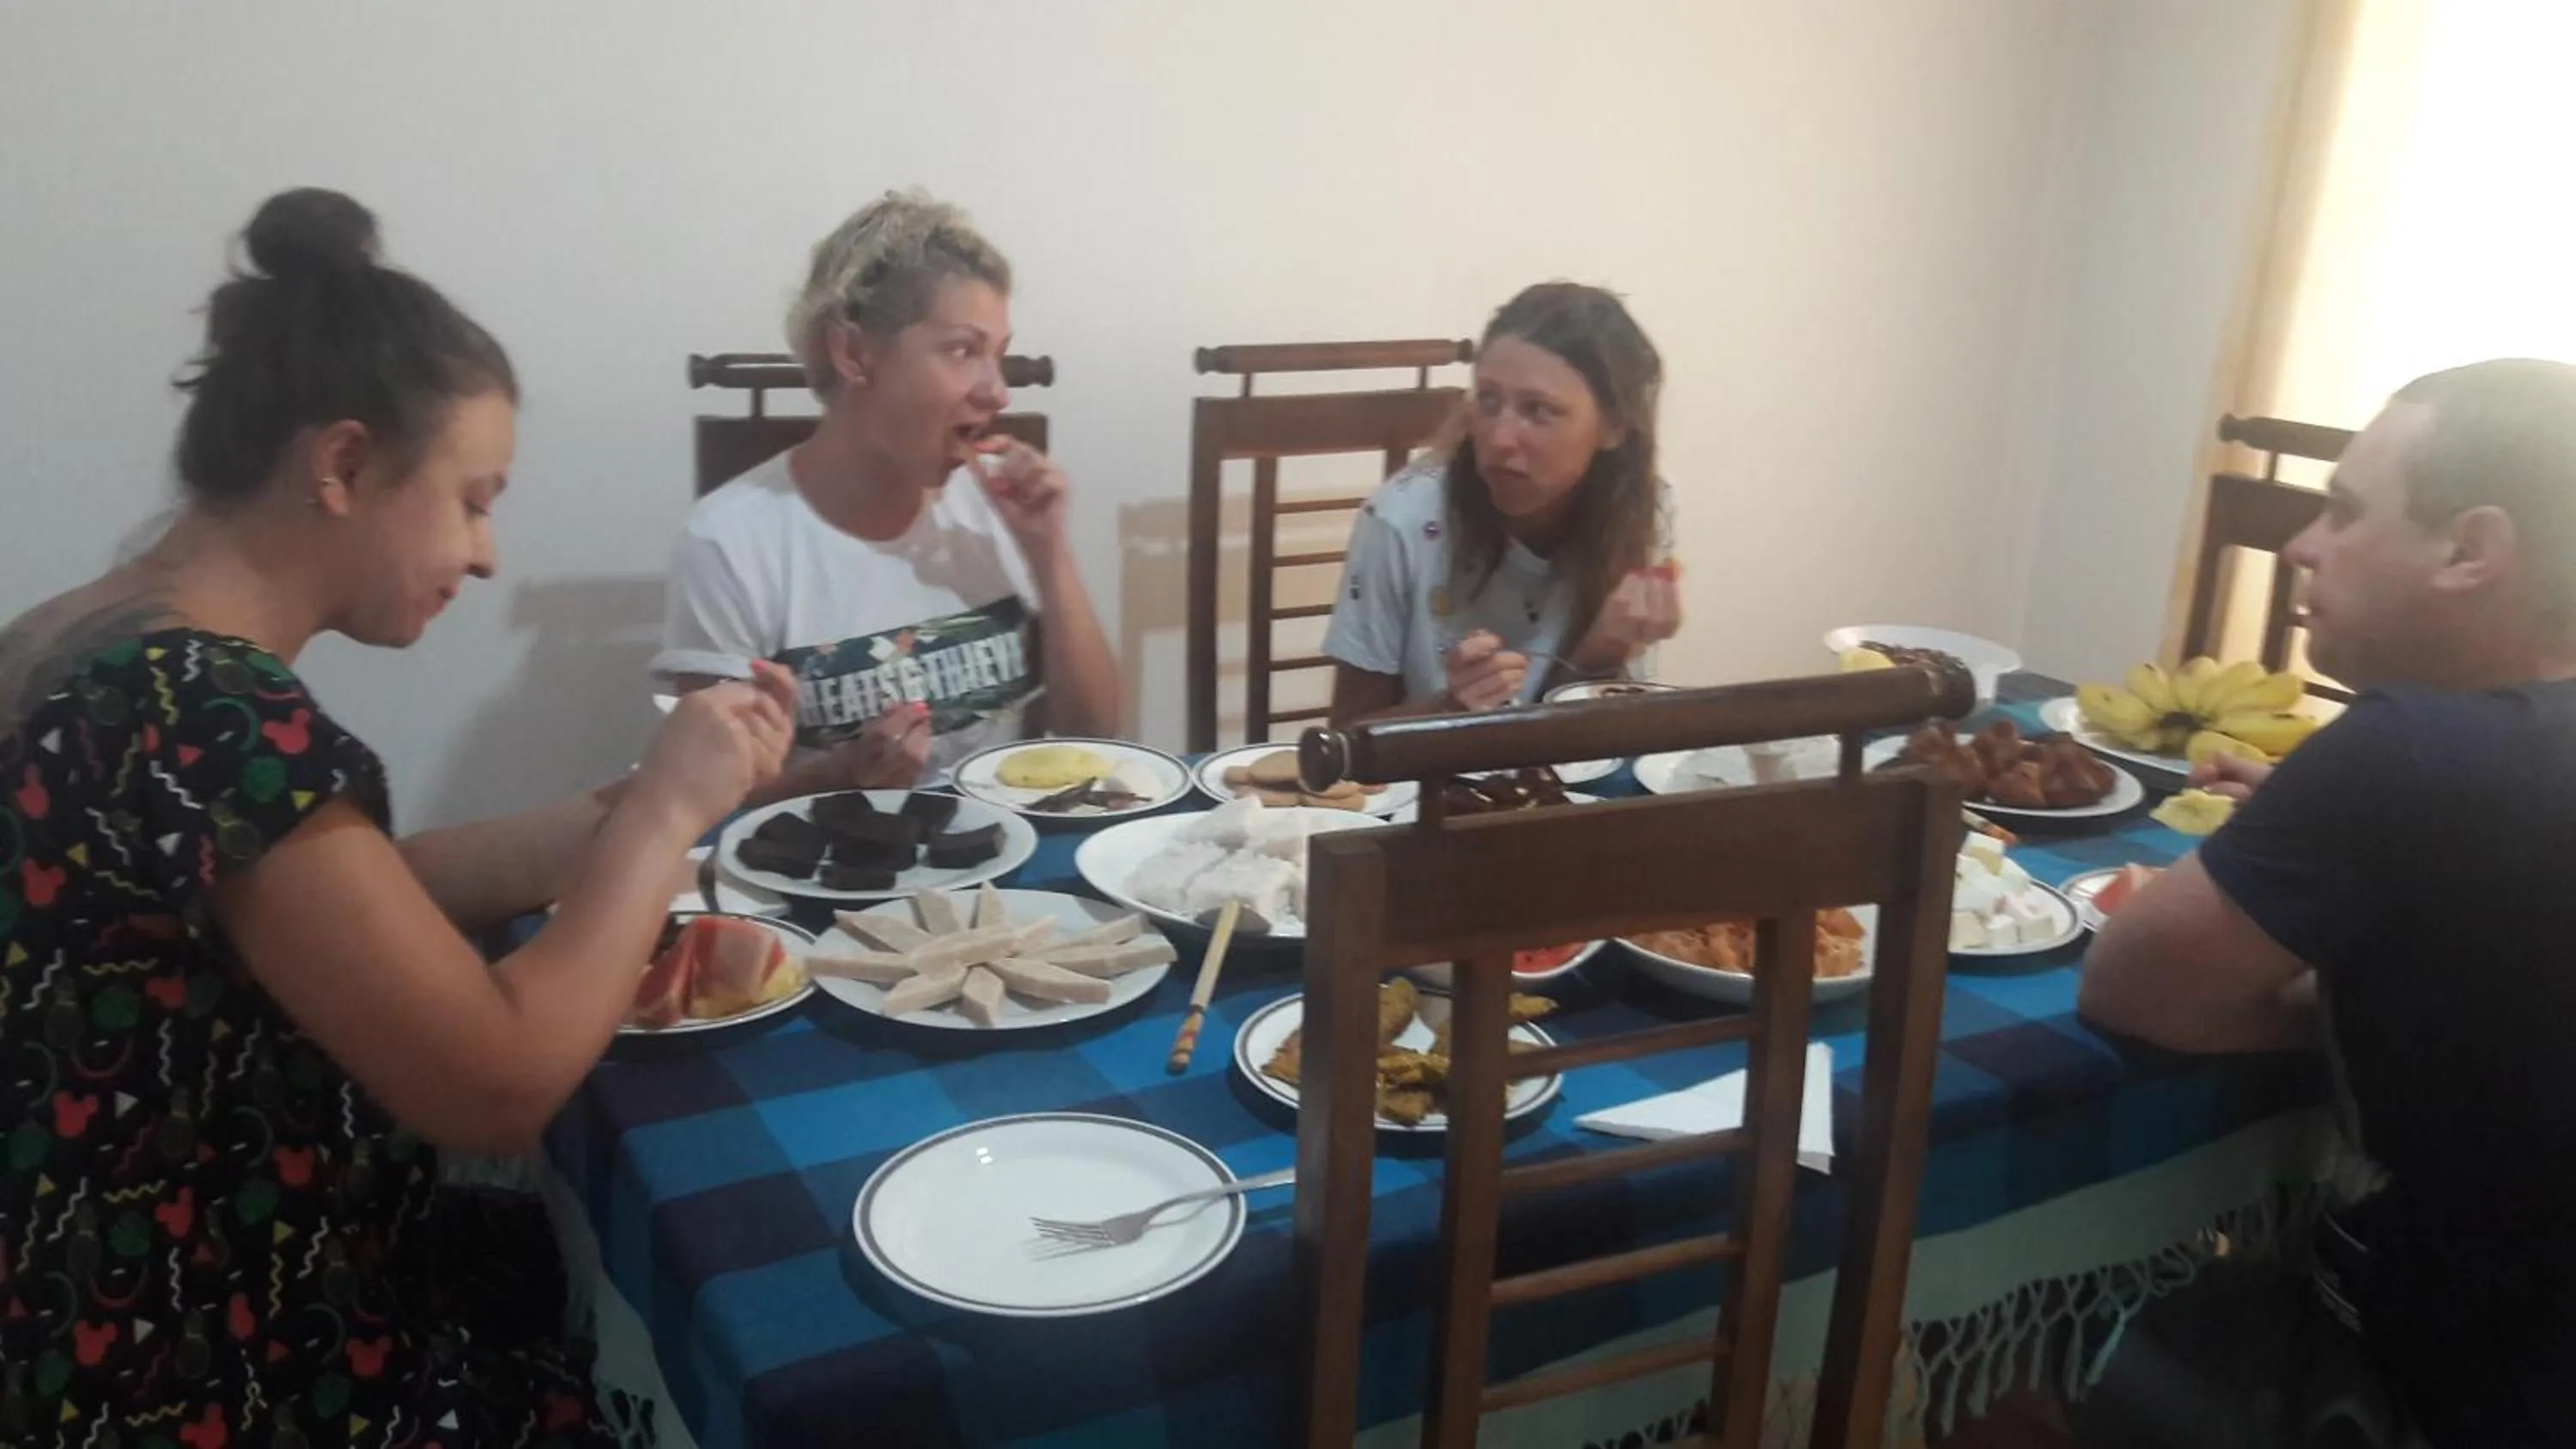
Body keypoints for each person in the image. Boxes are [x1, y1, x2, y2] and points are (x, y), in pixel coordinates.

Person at [0, 191, 796, 1447]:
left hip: (73, 1306)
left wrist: (647, 802)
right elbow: (494, 1085)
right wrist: (655, 829)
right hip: (213, 1363)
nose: (484, 554)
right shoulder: (209, 711)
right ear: (345, 465)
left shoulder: (80, 641)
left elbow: (353, 894)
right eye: (474, 498)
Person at [2077, 360, 2576, 1446]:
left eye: (2343, 512)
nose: (2299, 544)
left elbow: (2135, 985)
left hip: (2453, 1388)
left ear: (2473, 549)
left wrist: (2343, 957)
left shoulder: (2406, 753)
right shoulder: (2484, 767)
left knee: (2042, 1366)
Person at [654, 189, 1120, 791]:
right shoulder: (730, 542)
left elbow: (1098, 737)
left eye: (999, 357)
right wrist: (841, 776)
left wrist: (1049, 551)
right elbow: (699, 798)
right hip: (829, 869)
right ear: (853, 353)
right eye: (962, 350)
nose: (998, 392)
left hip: (1006, 853)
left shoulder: (996, 507)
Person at [1323, 282, 1681, 726]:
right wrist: (1451, 708)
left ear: (1613, 427)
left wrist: (1603, 648)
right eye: (1488, 401)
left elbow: (1595, 734)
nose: (1497, 438)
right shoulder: (1402, 520)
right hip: (1430, 784)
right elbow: (1346, 739)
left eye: (1538, 410)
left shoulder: (1643, 509)